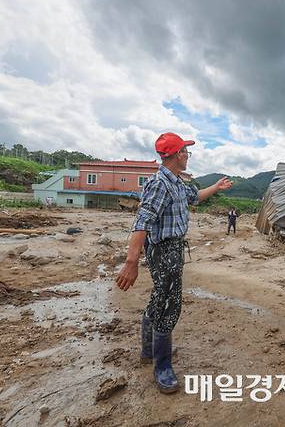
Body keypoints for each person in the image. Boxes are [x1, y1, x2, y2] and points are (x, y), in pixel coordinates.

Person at [115, 132, 232, 394]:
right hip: (164, 250)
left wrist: (216, 187)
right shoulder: (160, 184)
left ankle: (149, 350)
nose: (188, 156)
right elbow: (142, 222)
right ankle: (163, 366)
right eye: (186, 152)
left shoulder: (177, 183)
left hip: (173, 249)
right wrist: (131, 262)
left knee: (160, 297)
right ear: (178, 155)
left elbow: (194, 198)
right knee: (169, 304)